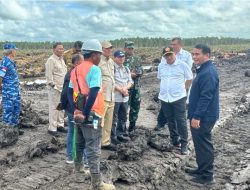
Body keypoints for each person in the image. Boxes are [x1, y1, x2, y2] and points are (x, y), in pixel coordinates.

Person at [68, 39, 115, 190]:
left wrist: (75, 109)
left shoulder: (75, 70)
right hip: (92, 114)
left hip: (79, 113)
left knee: (79, 143)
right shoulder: (95, 70)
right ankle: (97, 183)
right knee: (94, 148)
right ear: (94, 55)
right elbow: (94, 92)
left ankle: (79, 169)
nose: (100, 57)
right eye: (99, 54)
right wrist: (86, 112)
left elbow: (69, 92)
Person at [186, 44, 219, 185]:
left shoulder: (208, 73)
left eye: (197, 54)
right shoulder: (203, 70)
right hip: (201, 115)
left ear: (207, 55)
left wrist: (197, 116)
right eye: (193, 54)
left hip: (204, 117)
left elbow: (206, 97)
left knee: (204, 144)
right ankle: (201, 169)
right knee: (199, 144)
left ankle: (207, 177)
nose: (194, 57)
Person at [157, 47, 193, 155]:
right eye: (166, 55)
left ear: (174, 54)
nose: (168, 57)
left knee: (181, 121)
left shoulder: (182, 65)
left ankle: (184, 144)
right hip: (164, 97)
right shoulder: (161, 66)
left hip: (178, 98)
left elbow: (190, 78)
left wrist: (184, 90)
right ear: (164, 56)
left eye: (170, 54)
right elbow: (160, 78)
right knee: (170, 120)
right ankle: (174, 141)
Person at [155, 37, 193, 131]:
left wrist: (183, 88)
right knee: (165, 105)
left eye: (174, 44)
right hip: (168, 86)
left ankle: (180, 129)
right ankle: (161, 123)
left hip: (181, 85)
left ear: (180, 45)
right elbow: (162, 69)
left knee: (180, 108)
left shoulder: (187, 55)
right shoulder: (166, 55)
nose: (172, 46)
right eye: (171, 44)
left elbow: (188, 72)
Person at [57, 53, 88, 165]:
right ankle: (78, 158)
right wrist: (71, 108)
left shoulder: (78, 73)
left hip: (74, 108)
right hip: (73, 109)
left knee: (74, 132)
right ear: (75, 63)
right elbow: (66, 92)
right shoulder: (71, 74)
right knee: (79, 132)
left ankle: (72, 156)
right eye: (81, 62)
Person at [45, 42, 67, 136]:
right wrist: (54, 86)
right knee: (54, 108)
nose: (61, 50)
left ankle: (60, 125)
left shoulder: (62, 60)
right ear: (54, 50)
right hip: (55, 89)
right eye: (59, 49)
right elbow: (49, 76)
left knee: (61, 107)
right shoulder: (51, 60)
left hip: (63, 88)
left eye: (62, 48)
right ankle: (52, 128)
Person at [111, 50, 133, 144]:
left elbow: (131, 81)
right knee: (113, 118)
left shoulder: (126, 69)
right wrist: (121, 90)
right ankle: (112, 137)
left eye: (123, 57)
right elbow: (111, 82)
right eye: (119, 57)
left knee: (123, 117)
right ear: (114, 58)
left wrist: (125, 88)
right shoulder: (112, 68)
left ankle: (120, 134)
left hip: (125, 97)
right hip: (115, 97)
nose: (121, 59)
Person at [99, 41, 117, 151]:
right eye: (107, 48)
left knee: (108, 122)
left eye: (110, 48)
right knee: (100, 122)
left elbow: (111, 77)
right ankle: (97, 142)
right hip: (102, 96)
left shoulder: (111, 61)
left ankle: (105, 142)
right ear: (101, 49)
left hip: (111, 96)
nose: (109, 50)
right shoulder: (98, 61)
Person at [123, 41, 143, 132]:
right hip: (125, 88)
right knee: (123, 108)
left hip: (136, 87)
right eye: (129, 48)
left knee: (135, 107)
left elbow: (141, 71)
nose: (131, 50)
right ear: (125, 48)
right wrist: (129, 74)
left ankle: (132, 126)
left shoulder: (137, 59)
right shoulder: (121, 58)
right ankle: (121, 127)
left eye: (132, 48)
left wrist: (137, 73)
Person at [0, 44, 20, 126]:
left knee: (16, 109)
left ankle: (14, 127)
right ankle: (7, 129)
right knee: (8, 110)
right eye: (15, 50)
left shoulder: (11, 62)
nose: (16, 51)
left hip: (15, 91)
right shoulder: (5, 62)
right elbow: (0, 76)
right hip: (8, 91)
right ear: (11, 51)